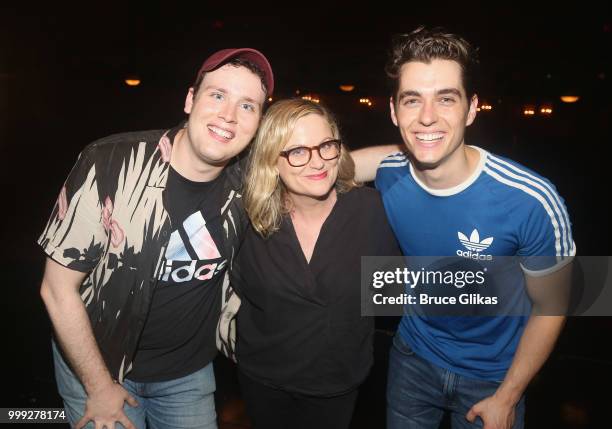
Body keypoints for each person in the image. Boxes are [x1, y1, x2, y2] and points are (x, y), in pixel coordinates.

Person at [38, 48, 274, 429]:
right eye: (217, 95)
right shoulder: (110, 163)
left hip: (187, 373)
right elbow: (56, 289)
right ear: (190, 100)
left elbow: (326, 164)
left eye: (247, 106)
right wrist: (99, 386)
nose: (229, 115)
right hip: (97, 365)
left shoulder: (250, 185)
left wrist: (403, 153)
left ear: (258, 122)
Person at [357, 27, 574, 428]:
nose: (426, 116)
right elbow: (323, 167)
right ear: (393, 110)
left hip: (495, 377)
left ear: (472, 108)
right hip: (412, 358)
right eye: (412, 101)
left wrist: (509, 397)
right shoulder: (389, 174)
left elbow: (553, 305)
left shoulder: (531, 201)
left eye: (446, 98)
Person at [230, 98, 401, 429]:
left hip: (335, 386)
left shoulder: (373, 211)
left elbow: (396, 292)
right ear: (270, 161)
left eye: (326, 146)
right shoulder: (249, 214)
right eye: (297, 151)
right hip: (261, 379)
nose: (317, 162)